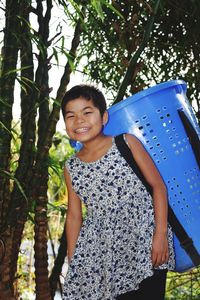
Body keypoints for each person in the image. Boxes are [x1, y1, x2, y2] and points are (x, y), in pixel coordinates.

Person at [61, 85, 175, 300]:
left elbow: (158, 187)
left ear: (104, 117)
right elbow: (74, 215)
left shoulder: (125, 143)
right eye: (71, 116)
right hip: (104, 253)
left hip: (144, 239)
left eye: (87, 112)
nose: (79, 121)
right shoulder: (71, 167)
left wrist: (159, 236)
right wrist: (74, 260)